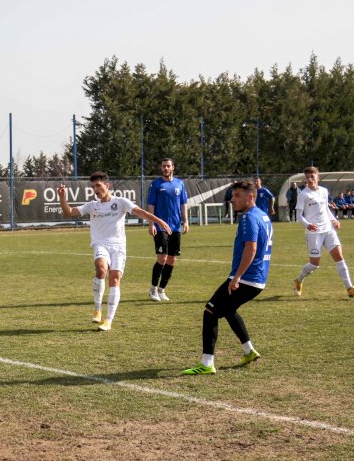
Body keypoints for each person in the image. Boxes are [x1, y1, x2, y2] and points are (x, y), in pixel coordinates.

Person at [58, 171, 171, 332]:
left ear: (107, 185)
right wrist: (62, 197)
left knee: (115, 279)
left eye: (98, 185)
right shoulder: (92, 205)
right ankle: (97, 308)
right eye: (93, 187)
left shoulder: (121, 202)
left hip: (118, 246)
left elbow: (141, 212)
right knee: (101, 269)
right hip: (101, 244)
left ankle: (108, 321)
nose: (95, 189)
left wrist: (159, 221)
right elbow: (68, 212)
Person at [182, 181, 271, 375]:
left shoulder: (248, 218)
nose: (232, 199)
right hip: (258, 279)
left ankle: (207, 364)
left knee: (210, 311)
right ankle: (248, 351)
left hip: (246, 278)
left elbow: (252, 248)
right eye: (232, 195)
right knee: (229, 309)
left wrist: (237, 277)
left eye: (237, 195)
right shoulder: (263, 216)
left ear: (251, 197)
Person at [293, 167, 354, 299]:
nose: (309, 179)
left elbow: (326, 209)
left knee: (339, 258)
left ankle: (349, 288)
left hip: (328, 229)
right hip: (314, 233)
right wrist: (308, 225)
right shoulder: (303, 194)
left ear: (317, 177)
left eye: (312, 177)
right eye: (307, 177)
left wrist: (334, 220)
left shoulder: (324, 191)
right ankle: (298, 280)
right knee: (314, 264)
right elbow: (299, 216)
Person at [145, 158, 189, 302]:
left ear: (173, 167)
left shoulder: (179, 184)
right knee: (162, 258)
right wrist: (151, 224)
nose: (166, 168)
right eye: (163, 166)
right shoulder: (156, 184)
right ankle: (152, 289)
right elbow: (151, 205)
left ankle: (162, 289)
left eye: (168, 166)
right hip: (160, 226)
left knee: (172, 259)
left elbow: (183, 204)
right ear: (161, 167)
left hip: (175, 227)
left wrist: (186, 221)